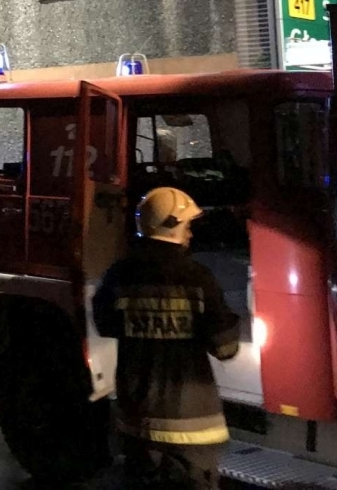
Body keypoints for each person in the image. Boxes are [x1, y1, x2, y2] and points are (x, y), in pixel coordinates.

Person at [93, 187, 239, 490]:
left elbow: (105, 325)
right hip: (192, 428)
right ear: (173, 224)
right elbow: (226, 348)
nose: (191, 234)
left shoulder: (118, 275)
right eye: (188, 225)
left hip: (137, 424)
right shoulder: (198, 278)